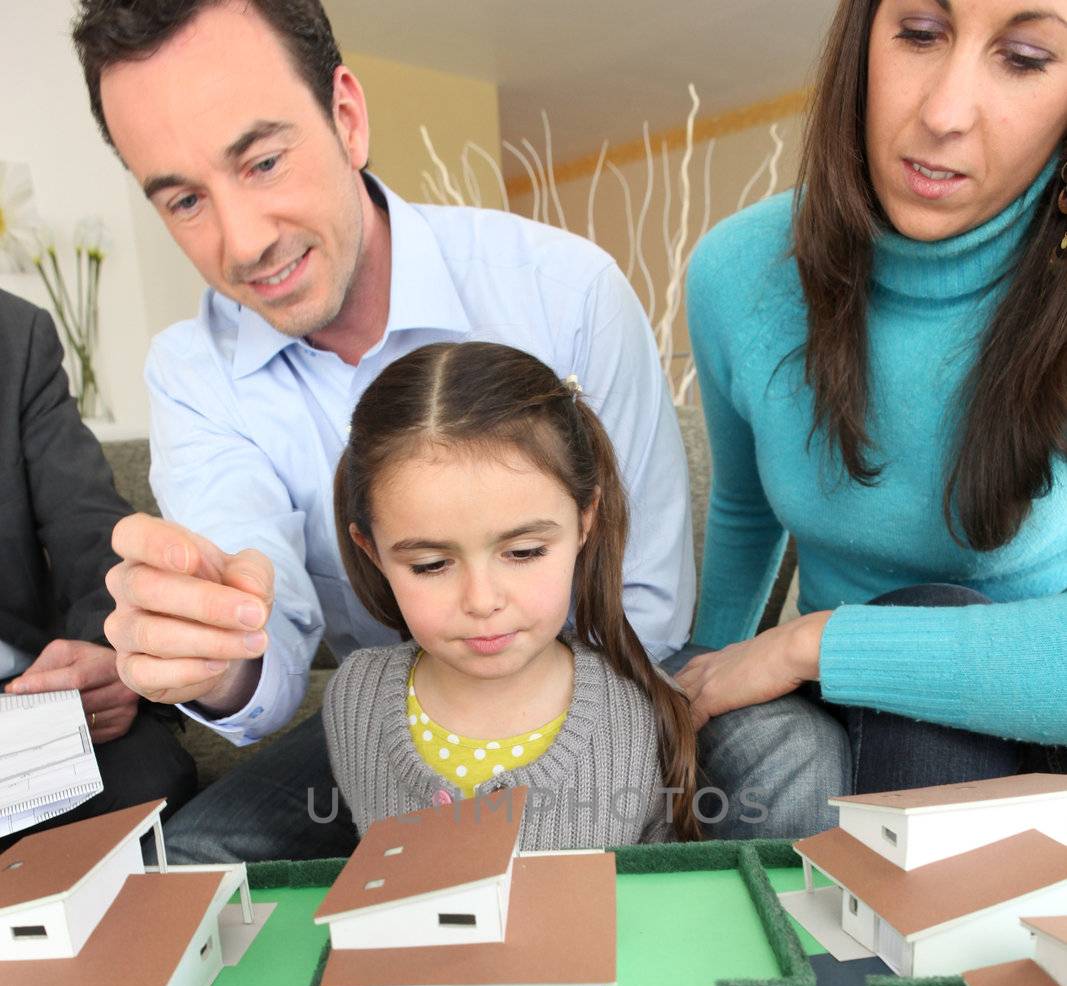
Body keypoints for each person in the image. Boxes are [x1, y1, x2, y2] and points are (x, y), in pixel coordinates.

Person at [71, 0, 694, 863]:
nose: (242, 243)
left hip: (593, 697)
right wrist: (220, 657)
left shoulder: (566, 292)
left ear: (347, 117)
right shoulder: (192, 373)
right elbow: (262, 606)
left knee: (784, 762)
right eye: (184, 200)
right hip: (382, 738)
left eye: (262, 161)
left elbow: (647, 608)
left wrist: (529, 772)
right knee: (186, 863)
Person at [676, 0, 1067, 839]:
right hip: (832, 706)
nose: (942, 114)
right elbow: (744, 508)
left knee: (930, 608)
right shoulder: (736, 272)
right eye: (921, 35)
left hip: (1034, 707)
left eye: (1027, 57)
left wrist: (810, 643)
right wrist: (701, 679)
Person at [326, 341, 698, 847]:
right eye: (430, 564)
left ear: (584, 521)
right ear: (372, 551)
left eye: (523, 552)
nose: (482, 601)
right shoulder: (355, 700)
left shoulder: (642, 708)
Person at [0, 288, 197, 833]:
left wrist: (107, 648)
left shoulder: (14, 335)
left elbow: (90, 525)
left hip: (21, 705)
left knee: (149, 776)